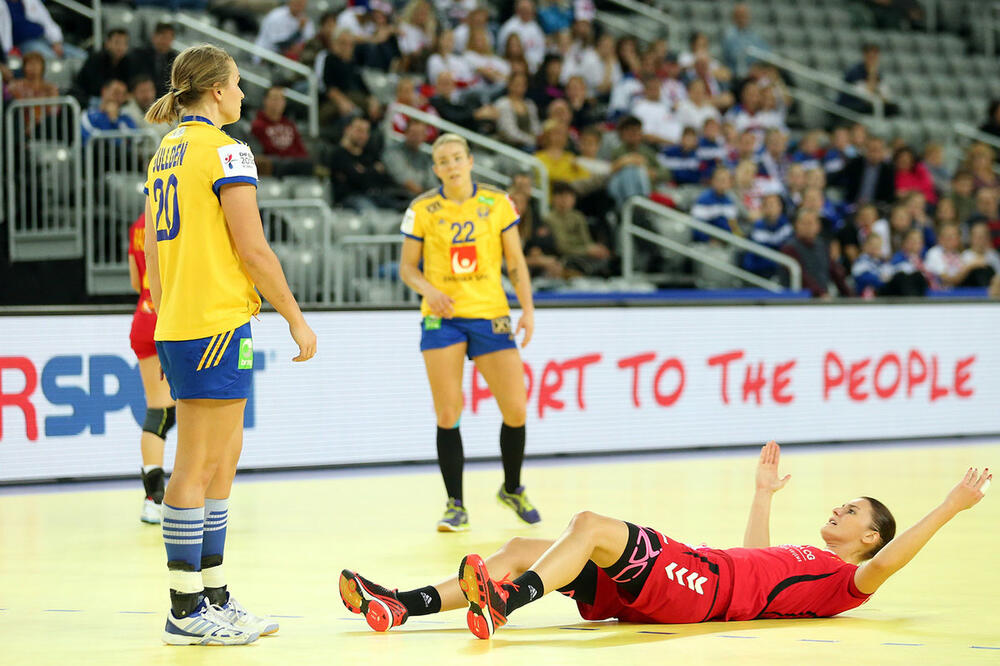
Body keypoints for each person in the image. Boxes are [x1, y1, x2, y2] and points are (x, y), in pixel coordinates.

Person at [339, 441, 991, 638]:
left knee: (590, 524)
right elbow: (751, 559)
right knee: (515, 548)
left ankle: (506, 603)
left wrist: (950, 506)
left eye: (850, 511)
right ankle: (402, 604)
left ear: (869, 537)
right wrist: (762, 495)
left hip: (698, 586)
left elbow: (889, 567)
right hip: (700, 576)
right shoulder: (810, 562)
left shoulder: (849, 582)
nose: (837, 509)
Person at [143, 43, 317, 645]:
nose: (242, 94)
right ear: (216, 90)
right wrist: (295, 316)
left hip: (196, 323)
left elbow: (154, 258)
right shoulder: (225, 150)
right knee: (196, 469)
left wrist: (169, 318)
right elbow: (254, 249)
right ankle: (184, 609)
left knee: (221, 466)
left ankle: (213, 593)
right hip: (212, 323)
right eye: (238, 83)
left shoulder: (166, 152)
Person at [397, 133, 540, 532]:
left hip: (491, 314)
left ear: (470, 161)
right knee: (448, 411)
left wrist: (527, 310)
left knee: (515, 409)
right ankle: (455, 505)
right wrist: (430, 290)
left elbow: (516, 263)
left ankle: (512, 487)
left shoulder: (497, 203)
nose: (451, 165)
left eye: (457, 158)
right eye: (443, 161)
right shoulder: (422, 208)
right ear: (435, 169)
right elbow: (408, 268)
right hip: (442, 318)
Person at [127, 211, 175, 525]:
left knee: (159, 411)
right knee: (194, 411)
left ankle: (153, 499)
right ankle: (189, 499)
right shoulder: (179, 217)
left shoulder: (138, 226)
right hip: (173, 319)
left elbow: (135, 281)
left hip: (144, 316)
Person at [249, 85, 313, 177]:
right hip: (274, 166)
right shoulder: (257, 125)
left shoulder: (289, 124)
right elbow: (262, 152)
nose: (278, 103)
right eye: (275, 98)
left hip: (293, 163)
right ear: (265, 101)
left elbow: (301, 149)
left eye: (281, 99)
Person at [129, 22, 178, 97]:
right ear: (154, 37)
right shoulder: (139, 55)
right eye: (162, 37)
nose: (165, 42)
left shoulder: (175, 59)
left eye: (169, 38)